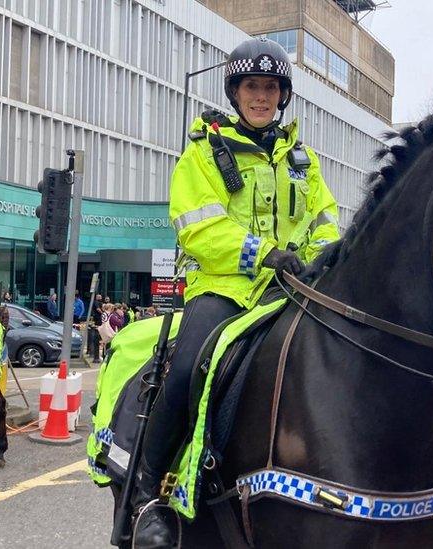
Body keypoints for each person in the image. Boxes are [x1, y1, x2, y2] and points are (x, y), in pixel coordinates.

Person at [128, 37, 341, 546]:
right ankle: (145, 494)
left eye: (271, 88)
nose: (261, 97)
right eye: (252, 87)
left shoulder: (303, 161)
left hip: (289, 290)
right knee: (187, 367)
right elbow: (199, 227)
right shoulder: (203, 153)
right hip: (224, 288)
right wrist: (264, 253)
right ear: (235, 92)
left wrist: (315, 262)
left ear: (283, 95)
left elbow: (326, 223)